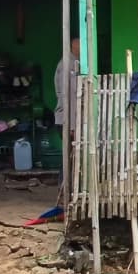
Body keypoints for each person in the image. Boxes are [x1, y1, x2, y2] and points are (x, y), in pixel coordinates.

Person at [54, 38, 81, 185]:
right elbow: (68, 96)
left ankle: (66, 190)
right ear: (74, 46)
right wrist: (71, 125)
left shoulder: (73, 63)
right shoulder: (67, 64)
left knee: (71, 157)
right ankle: (63, 190)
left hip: (67, 119)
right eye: (81, 45)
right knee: (69, 158)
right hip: (66, 119)